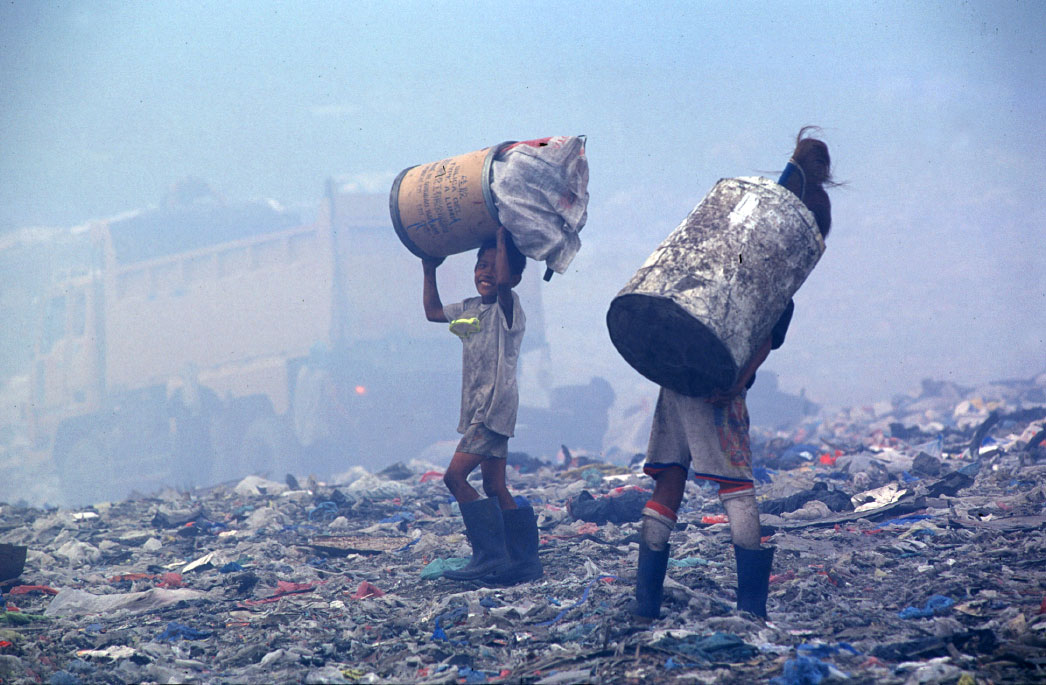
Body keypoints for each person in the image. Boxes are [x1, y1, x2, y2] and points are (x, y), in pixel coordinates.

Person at [632, 128, 835, 622]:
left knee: (669, 481)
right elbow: (762, 343)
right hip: (717, 383)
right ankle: (751, 609)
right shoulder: (778, 279)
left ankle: (645, 604)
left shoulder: (733, 245)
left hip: (674, 372)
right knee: (736, 485)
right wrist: (737, 382)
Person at [421, 226, 543, 585]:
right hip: (482, 410)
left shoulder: (510, 308)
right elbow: (432, 312)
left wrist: (502, 237)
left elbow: (503, 284)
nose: (486, 272)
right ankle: (523, 563)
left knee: (454, 477)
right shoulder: (470, 310)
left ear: (515, 277)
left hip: (493, 410)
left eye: (494, 266)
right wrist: (430, 268)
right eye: (480, 265)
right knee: (495, 486)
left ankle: (490, 557)